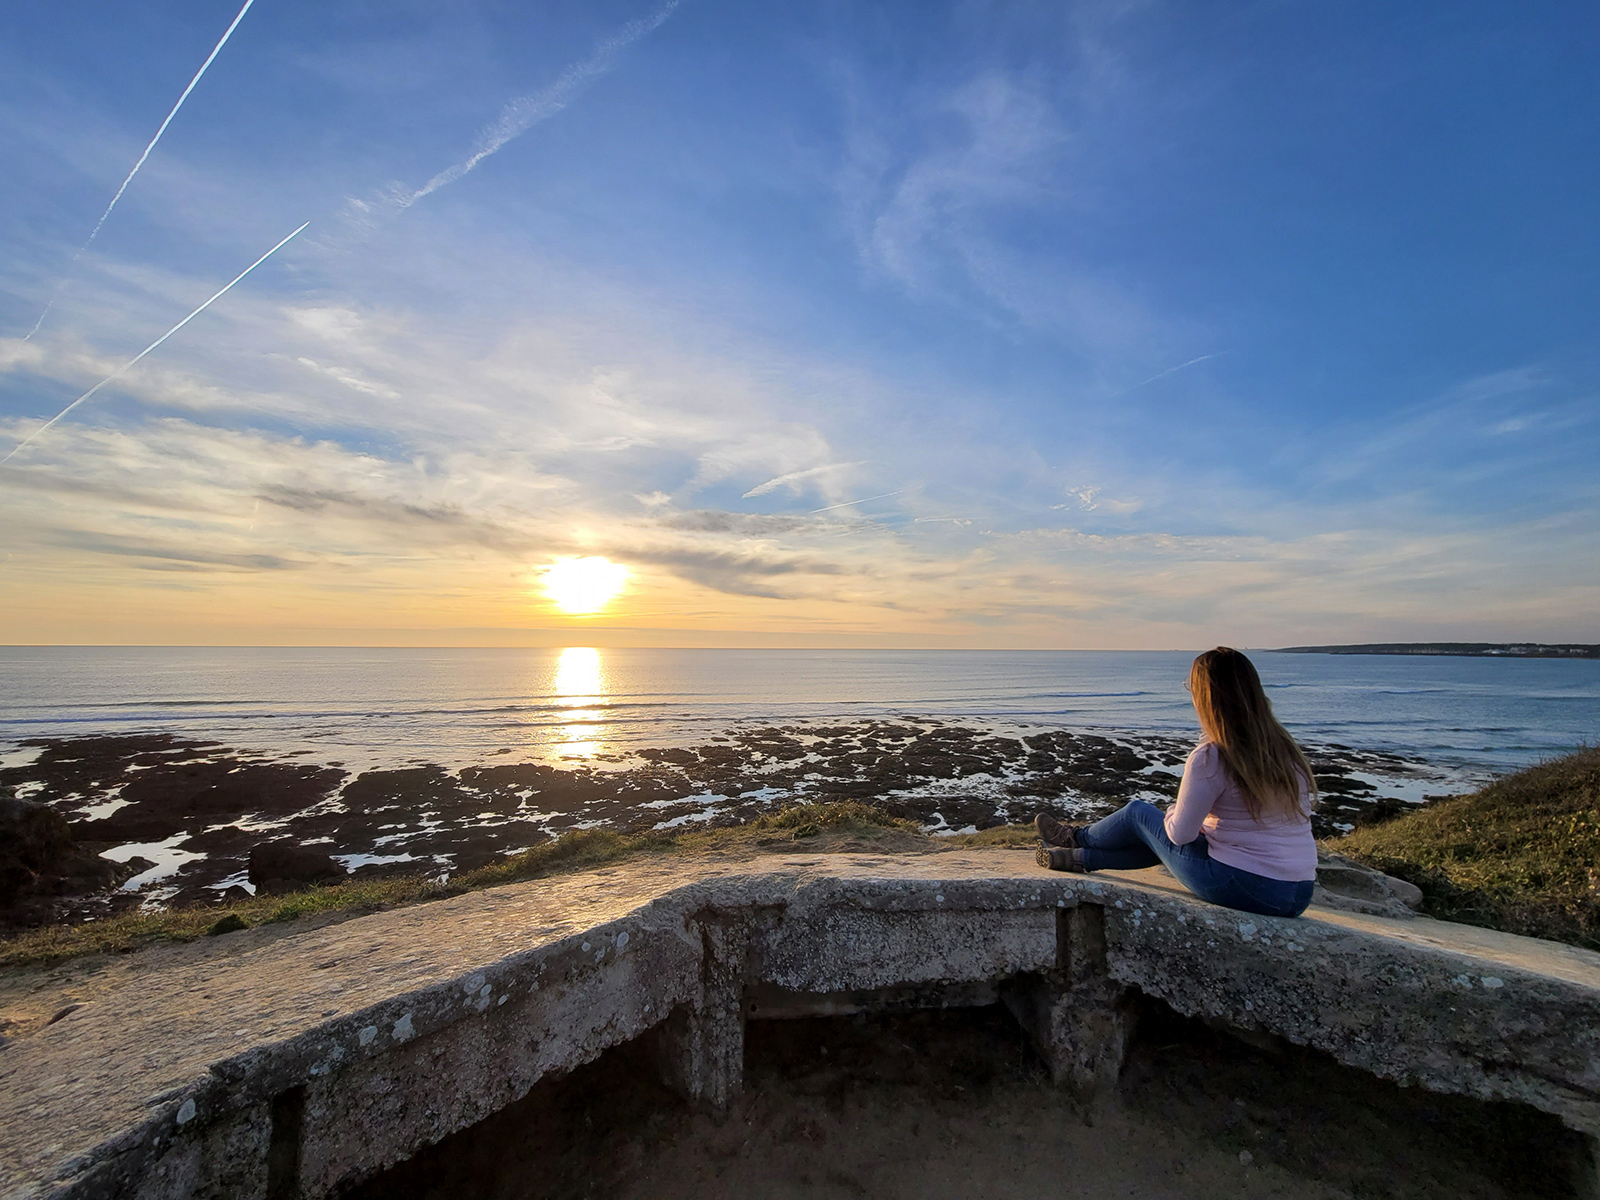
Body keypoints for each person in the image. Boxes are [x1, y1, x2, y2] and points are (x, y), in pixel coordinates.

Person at [1034, 646, 1318, 919]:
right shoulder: (1285, 751)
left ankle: (1075, 838)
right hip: (1299, 892)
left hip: (1243, 884)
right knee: (1159, 839)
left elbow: (1180, 835)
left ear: (1207, 698)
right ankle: (1080, 859)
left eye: (1191, 688)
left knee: (1138, 813)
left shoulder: (1212, 756)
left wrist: (1171, 812)